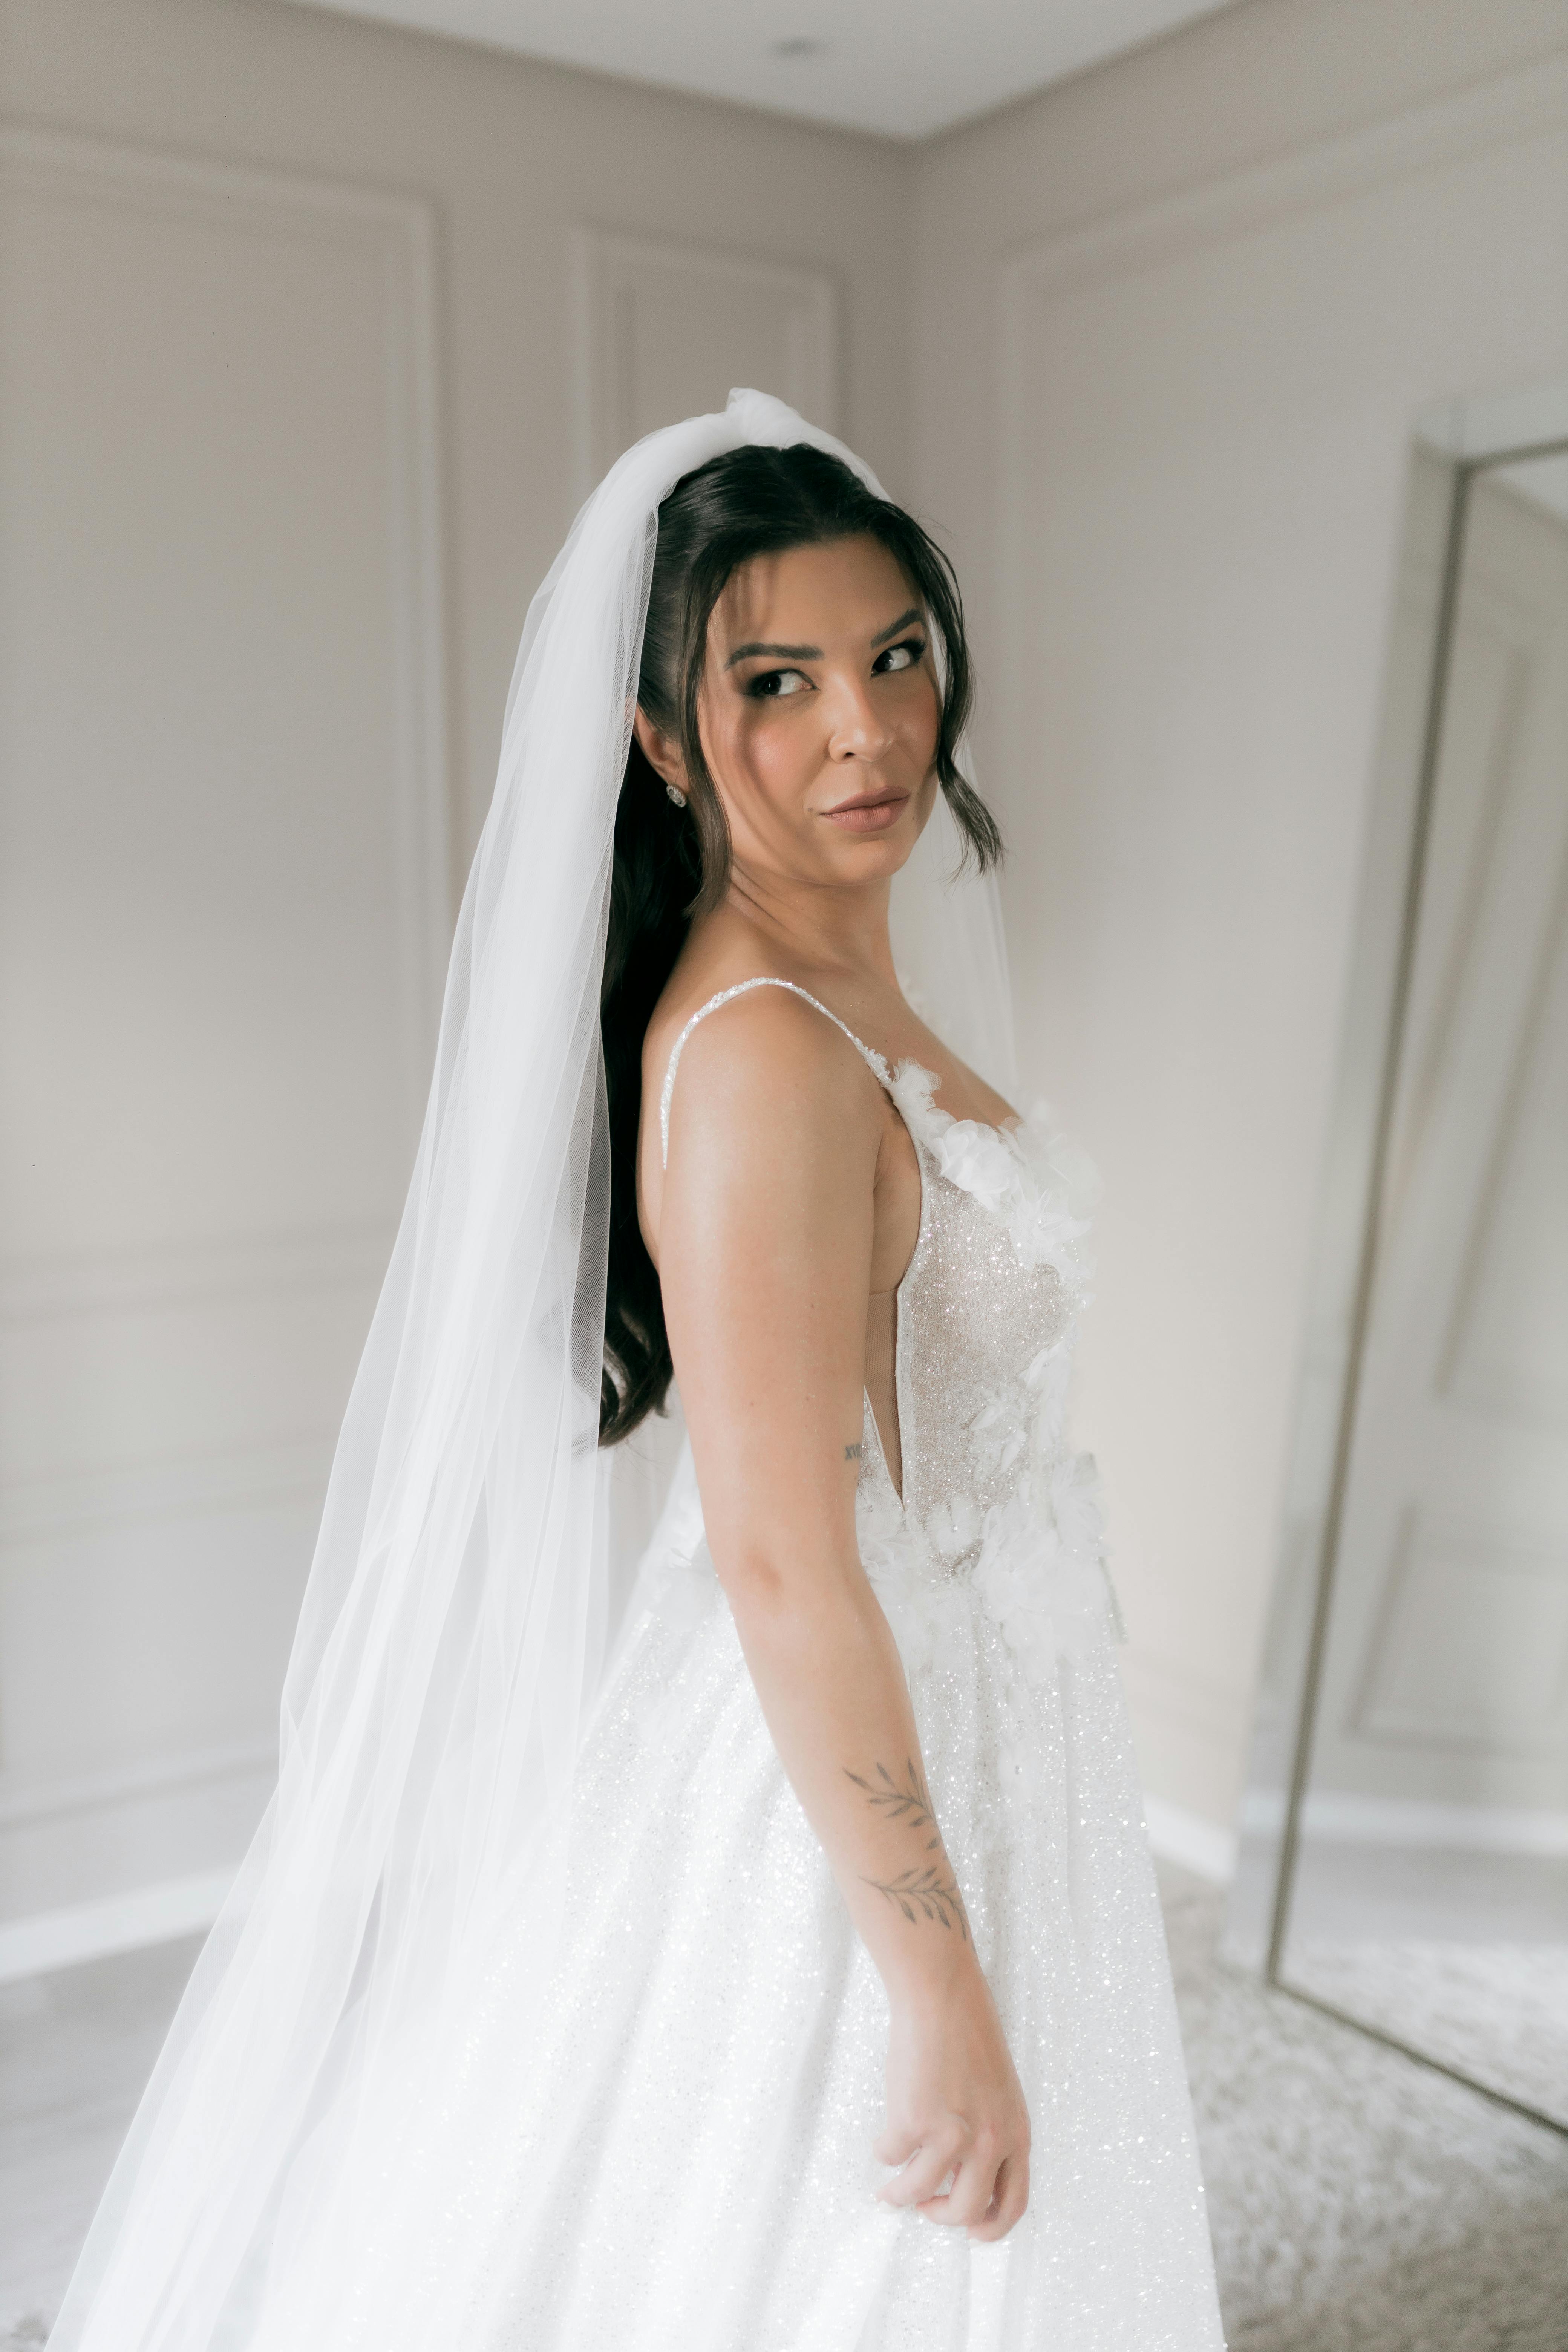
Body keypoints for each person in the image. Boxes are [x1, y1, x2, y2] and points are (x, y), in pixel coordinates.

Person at [50, 395, 1224, 2352]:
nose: (866, 731)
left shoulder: (843, 973)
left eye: (895, 656)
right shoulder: (765, 1054)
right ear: (664, 741)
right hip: (851, 1752)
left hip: (987, 1706)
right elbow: (781, 1555)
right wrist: (935, 1988)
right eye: (779, 683)